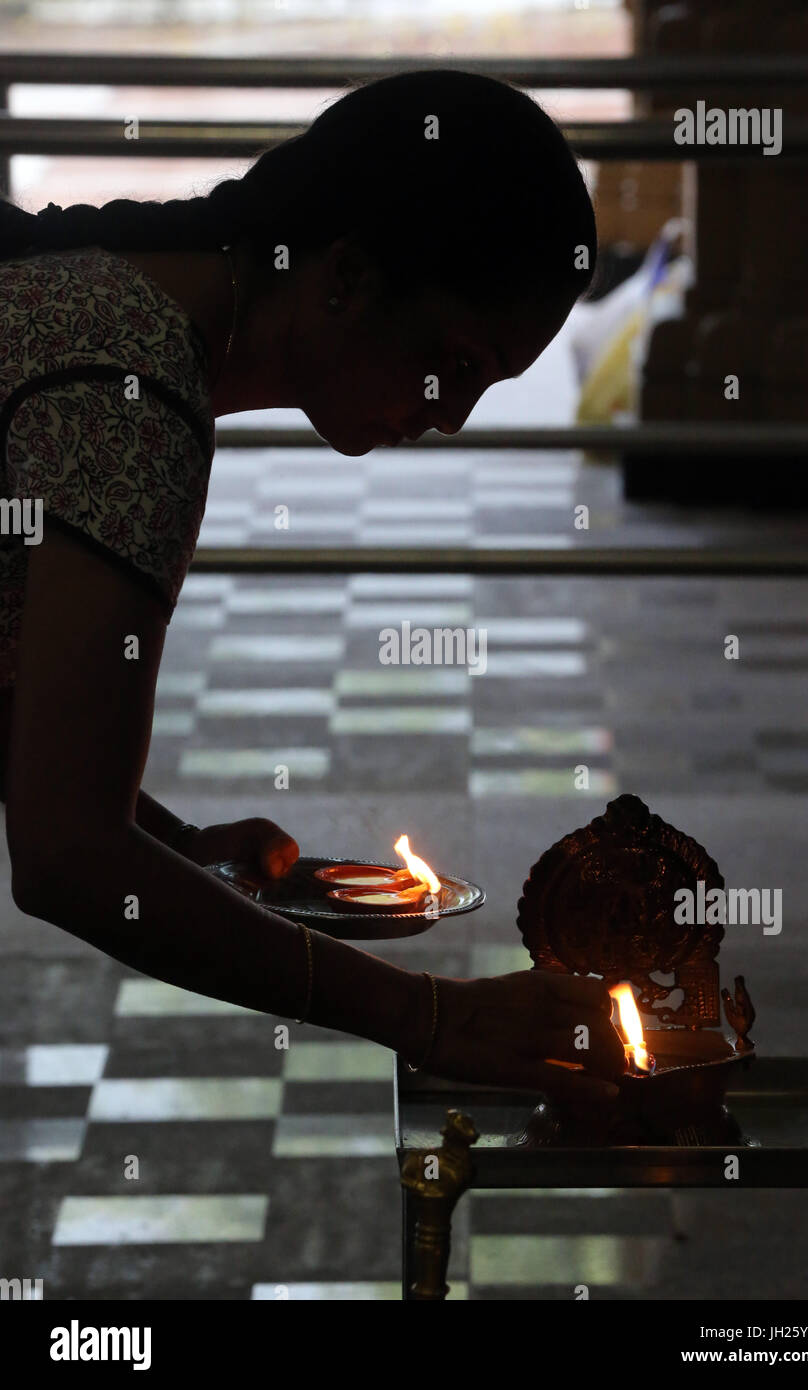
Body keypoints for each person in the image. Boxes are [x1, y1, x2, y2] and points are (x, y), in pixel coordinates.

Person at [0, 68, 624, 1100]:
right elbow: (66, 853)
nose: (451, 415)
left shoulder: (116, 288)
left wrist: (179, 845)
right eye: (452, 362)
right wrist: (425, 1013)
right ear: (344, 280)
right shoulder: (130, 397)